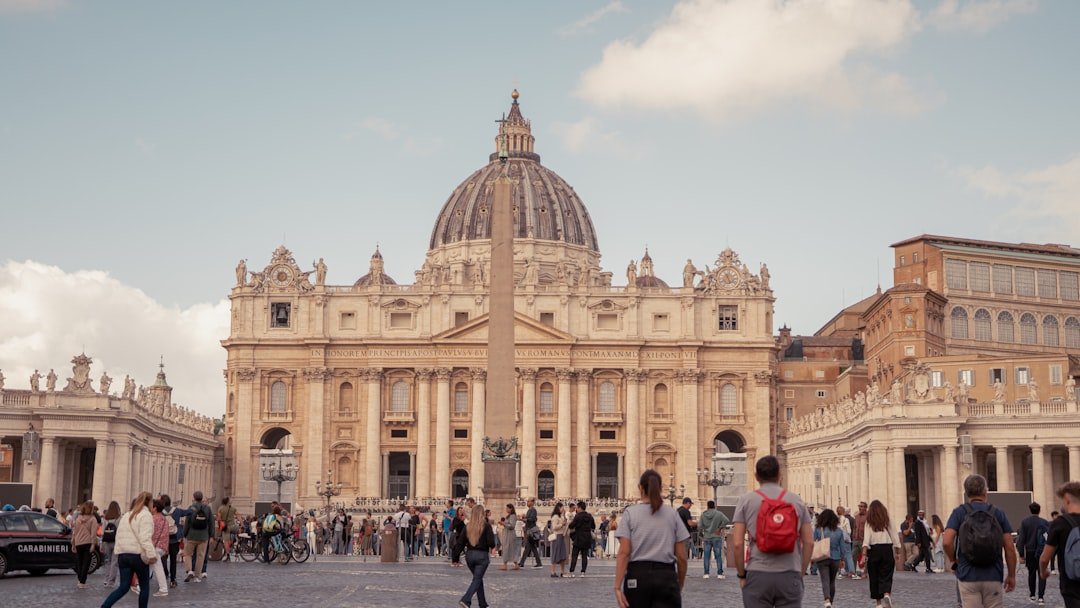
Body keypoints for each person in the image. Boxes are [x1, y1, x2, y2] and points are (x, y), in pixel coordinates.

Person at [732, 454, 814, 608]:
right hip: (790, 572)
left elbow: (737, 544)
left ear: (756, 476)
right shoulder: (796, 500)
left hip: (758, 573)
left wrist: (742, 574)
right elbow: (809, 542)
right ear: (779, 475)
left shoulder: (746, 500)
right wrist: (800, 572)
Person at [613, 469, 689, 608]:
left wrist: (617, 587)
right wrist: (680, 582)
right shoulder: (673, 514)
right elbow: (682, 557)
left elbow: (624, 552)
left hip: (637, 577)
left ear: (640, 488)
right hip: (666, 577)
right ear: (660, 488)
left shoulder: (630, 513)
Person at [943, 474, 1017, 608]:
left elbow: (947, 541)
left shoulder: (959, 512)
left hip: (968, 574)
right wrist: (1011, 575)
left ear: (966, 493)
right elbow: (1010, 547)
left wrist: (953, 560)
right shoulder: (998, 513)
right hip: (993, 574)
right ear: (985, 491)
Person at [101, 492, 156, 608]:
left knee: (124, 587)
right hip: (137, 555)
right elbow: (145, 538)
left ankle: (105, 606)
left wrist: (118, 552)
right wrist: (152, 555)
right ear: (149, 503)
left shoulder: (126, 515)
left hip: (123, 555)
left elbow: (118, 536)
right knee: (144, 586)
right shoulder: (146, 515)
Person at [1038, 481, 1080, 607]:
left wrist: (1043, 571)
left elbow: (1045, 557)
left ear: (1067, 499)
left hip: (1071, 584)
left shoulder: (1060, 523)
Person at [862, 499, 900, 608]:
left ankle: (878, 603)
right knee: (887, 574)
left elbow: (866, 539)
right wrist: (897, 552)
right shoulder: (887, 520)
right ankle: (887, 593)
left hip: (873, 550)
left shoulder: (869, 522)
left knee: (874, 576)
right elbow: (894, 536)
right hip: (887, 549)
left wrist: (864, 554)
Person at [459, 504, 496, 608]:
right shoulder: (486, 526)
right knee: (477, 579)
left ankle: (483, 604)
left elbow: (460, 542)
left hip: (469, 556)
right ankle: (466, 600)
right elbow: (491, 542)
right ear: (482, 513)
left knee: (478, 578)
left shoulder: (468, 526)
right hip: (482, 556)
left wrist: (455, 556)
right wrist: (493, 547)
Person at [1017, 501, 1050, 604]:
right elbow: (1049, 539)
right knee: (1042, 574)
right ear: (1039, 511)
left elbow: (1021, 539)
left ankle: (1032, 595)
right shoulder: (1045, 522)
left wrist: (1021, 554)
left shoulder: (1025, 522)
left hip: (1030, 551)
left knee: (1031, 574)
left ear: (1030, 510)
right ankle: (1041, 596)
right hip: (1042, 551)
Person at [813, 509, 845, 608]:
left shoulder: (818, 529)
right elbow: (842, 547)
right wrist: (842, 559)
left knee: (825, 580)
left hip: (822, 557)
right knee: (832, 581)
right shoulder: (839, 531)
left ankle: (826, 599)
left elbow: (813, 542)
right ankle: (831, 601)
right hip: (835, 558)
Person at [182, 490, 214, 582]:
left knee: (187, 554)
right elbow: (211, 523)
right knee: (200, 556)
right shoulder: (207, 508)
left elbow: (187, 523)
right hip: (203, 536)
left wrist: (184, 534)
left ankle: (189, 571)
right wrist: (211, 535)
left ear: (194, 498)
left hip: (191, 535)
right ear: (202, 498)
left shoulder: (191, 508)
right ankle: (197, 576)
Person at [699, 500, 729, 579]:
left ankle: (706, 573)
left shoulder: (703, 515)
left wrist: (703, 531)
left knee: (706, 556)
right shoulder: (719, 514)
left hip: (707, 537)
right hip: (716, 537)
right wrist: (719, 528)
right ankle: (719, 573)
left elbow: (700, 526)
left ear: (707, 506)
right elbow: (726, 520)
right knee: (718, 556)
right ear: (714, 506)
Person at [71, 501, 98, 589]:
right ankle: (82, 582)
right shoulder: (93, 519)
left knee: (79, 562)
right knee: (86, 563)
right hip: (87, 542)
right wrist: (93, 544)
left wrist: (73, 543)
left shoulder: (78, 519)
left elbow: (74, 532)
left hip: (78, 542)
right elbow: (93, 533)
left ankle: (79, 579)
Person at [569, 500, 596, 578]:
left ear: (580, 508)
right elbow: (593, 526)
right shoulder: (590, 516)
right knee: (584, 556)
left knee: (575, 555)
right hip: (587, 537)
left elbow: (571, 525)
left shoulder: (578, 516)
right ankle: (583, 572)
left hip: (578, 537)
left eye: (577, 507)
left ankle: (572, 571)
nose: (576, 509)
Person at [149, 499, 169, 597]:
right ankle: (140, 585)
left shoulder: (153, 519)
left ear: (155, 508)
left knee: (157, 567)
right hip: (162, 546)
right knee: (149, 566)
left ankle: (163, 588)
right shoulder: (164, 519)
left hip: (155, 546)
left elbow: (151, 533)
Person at [100, 501, 122, 588]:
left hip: (106, 541)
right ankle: (111, 581)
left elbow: (102, 532)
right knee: (114, 562)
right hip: (116, 541)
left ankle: (106, 579)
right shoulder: (119, 518)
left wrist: (101, 543)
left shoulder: (106, 518)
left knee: (108, 561)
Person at [518, 497, 543, 568]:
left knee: (530, 547)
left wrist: (523, 519)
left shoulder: (533, 510)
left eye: (528, 501)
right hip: (529, 530)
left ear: (532, 502)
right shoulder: (530, 510)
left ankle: (522, 563)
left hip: (531, 531)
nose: (527, 502)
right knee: (530, 547)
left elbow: (532, 519)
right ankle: (523, 563)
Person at [836, 505, 857, 579]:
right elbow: (849, 531)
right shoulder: (845, 520)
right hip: (845, 540)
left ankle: (840, 572)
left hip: (837, 539)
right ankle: (851, 572)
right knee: (848, 555)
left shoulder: (835, 519)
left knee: (839, 556)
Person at [549, 502, 569, 577]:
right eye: (562, 508)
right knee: (555, 554)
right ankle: (553, 571)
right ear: (558, 508)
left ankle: (562, 571)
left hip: (561, 536)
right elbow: (554, 527)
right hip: (557, 536)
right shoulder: (555, 517)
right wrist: (562, 524)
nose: (563, 509)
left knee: (562, 555)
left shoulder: (561, 516)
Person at [499, 503, 521, 571]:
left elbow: (511, 526)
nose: (506, 509)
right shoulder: (509, 516)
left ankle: (505, 564)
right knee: (509, 549)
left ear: (511, 509)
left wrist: (503, 524)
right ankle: (515, 564)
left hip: (510, 535)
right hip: (507, 534)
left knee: (507, 548)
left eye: (507, 508)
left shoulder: (513, 516)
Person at [217, 497, 238, 561]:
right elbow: (239, 516)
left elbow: (219, 519)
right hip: (234, 526)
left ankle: (228, 555)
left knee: (226, 541)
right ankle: (234, 541)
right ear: (228, 501)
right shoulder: (233, 508)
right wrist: (242, 524)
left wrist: (219, 526)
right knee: (236, 532)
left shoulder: (220, 508)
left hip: (226, 527)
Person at [852, 501, 868, 577]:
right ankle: (853, 571)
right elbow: (855, 527)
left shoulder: (868, 516)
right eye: (859, 506)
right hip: (856, 539)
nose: (860, 507)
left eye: (861, 506)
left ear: (865, 508)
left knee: (865, 557)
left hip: (864, 540)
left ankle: (865, 572)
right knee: (853, 555)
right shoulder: (857, 516)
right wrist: (854, 536)